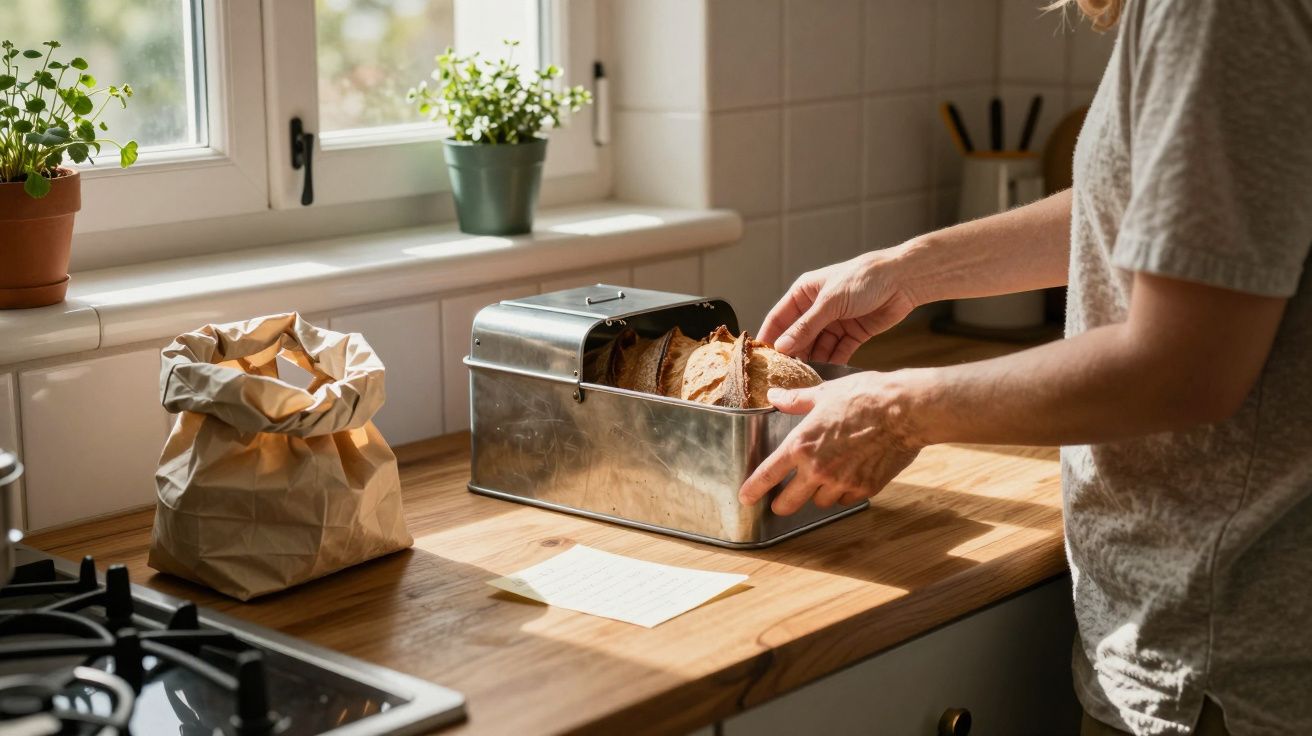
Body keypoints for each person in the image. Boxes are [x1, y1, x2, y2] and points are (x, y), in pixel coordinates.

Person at [738, 1, 1312, 734]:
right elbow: (1162, 202)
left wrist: (898, 408)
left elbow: (1183, 368)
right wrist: (912, 269)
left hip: (1227, 667)